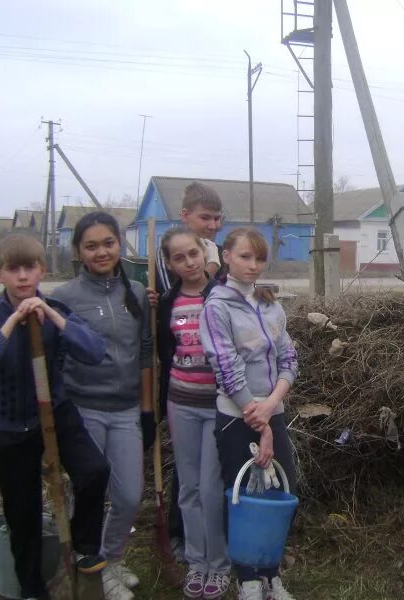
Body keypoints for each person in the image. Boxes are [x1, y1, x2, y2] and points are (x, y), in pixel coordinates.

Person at [0, 234, 110, 600]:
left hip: (55, 411)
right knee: (23, 511)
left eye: (30, 267)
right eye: (14, 269)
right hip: (9, 425)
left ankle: (82, 546)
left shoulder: (55, 308)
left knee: (95, 471)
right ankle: (31, 587)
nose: (23, 276)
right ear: (0, 274)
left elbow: (94, 352)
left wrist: (55, 318)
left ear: (42, 270)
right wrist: (13, 322)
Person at [52, 212, 153, 600]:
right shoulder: (63, 297)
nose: (101, 252)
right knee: (87, 494)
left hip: (126, 409)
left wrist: (146, 411)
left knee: (129, 495)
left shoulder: (138, 294)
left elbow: (145, 351)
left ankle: (112, 558)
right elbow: (55, 356)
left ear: (119, 244)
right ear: (78, 251)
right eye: (91, 245)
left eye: (108, 243)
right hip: (83, 410)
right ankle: (88, 564)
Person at [199, 227, 298, 600]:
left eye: (259, 258)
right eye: (245, 256)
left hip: (273, 407)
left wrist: (272, 406)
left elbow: (289, 358)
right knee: (241, 494)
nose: (253, 265)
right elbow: (226, 367)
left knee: (279, 491)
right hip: (235, 414)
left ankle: (271, 572)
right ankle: (247, 579)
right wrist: (257, 415)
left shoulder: (271, 302)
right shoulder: (217, 306)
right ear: (225, 256)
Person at [151, 181, 227, 561]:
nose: (213, 225)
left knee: (215, 475)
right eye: (205, 218)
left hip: (218, 394)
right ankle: (187, 539)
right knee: (188, 474)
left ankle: (218, 543)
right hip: (181, 392)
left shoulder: (221, 276)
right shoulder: (164, 266)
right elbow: (164, 333)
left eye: (217, 219)